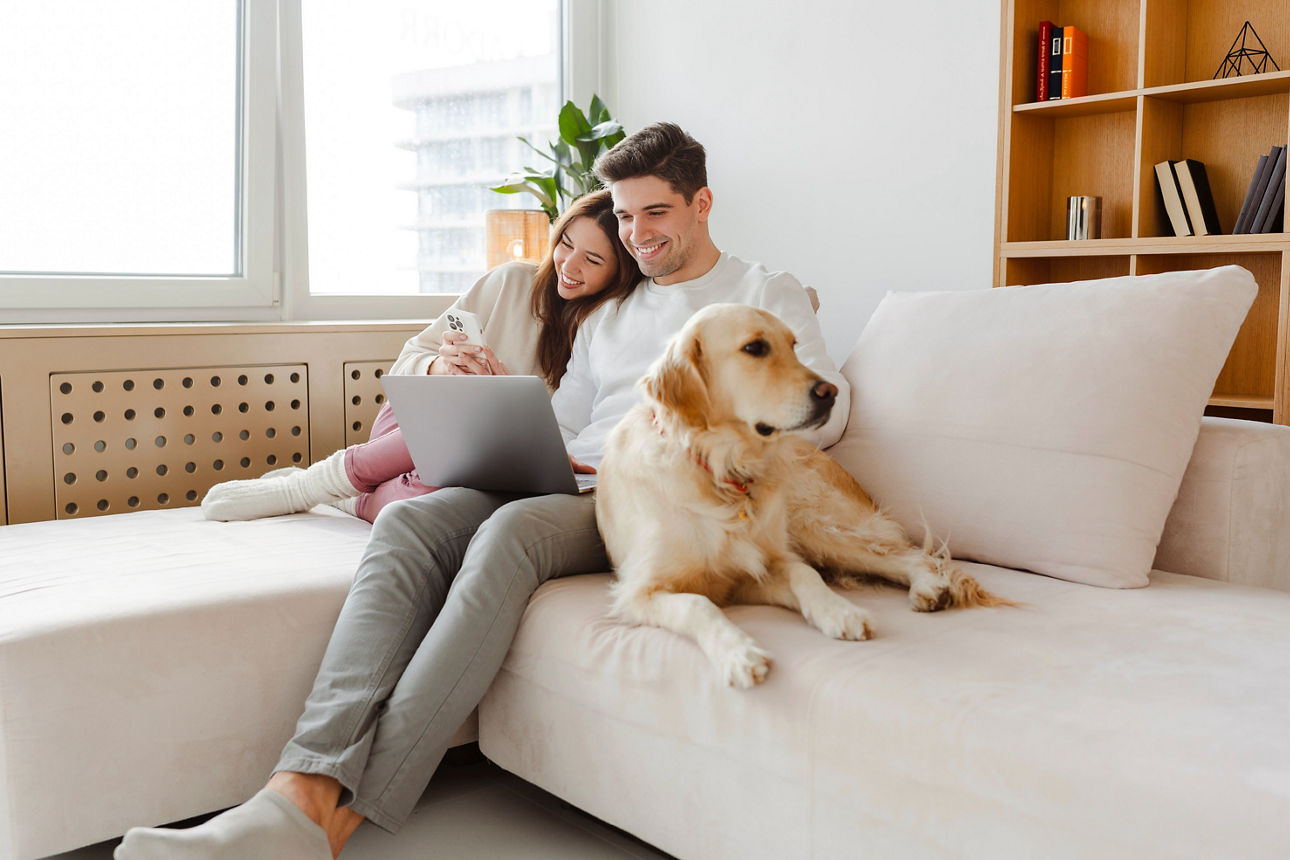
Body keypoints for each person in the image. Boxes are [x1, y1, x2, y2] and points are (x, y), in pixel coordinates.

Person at [114, 122, 849, 860]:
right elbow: (568, 422)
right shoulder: (614, 311)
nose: (635, 234)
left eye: (653, 213)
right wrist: (508, 408)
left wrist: (707, 435)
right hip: (575, 478)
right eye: (623, 216)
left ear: (701, 203)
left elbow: (827, 408)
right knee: (413, 525)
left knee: (511, 534)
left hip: (659, 500)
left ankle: (319, 821)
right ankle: (295, 789)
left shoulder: (764, 293)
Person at [199, 189, 640, 524]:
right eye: (565, 243)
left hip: (472, 464)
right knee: (459, 413)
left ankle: (352, 497)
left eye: (593, 259)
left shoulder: (607, 328)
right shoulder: (508, 283)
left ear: (620, 271)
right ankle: (305, 487)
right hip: (408, 427)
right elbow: (408, 361)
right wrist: (441, 367)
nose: (568, 265)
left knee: (432, 508)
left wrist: (502, 396)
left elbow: (555, 442)